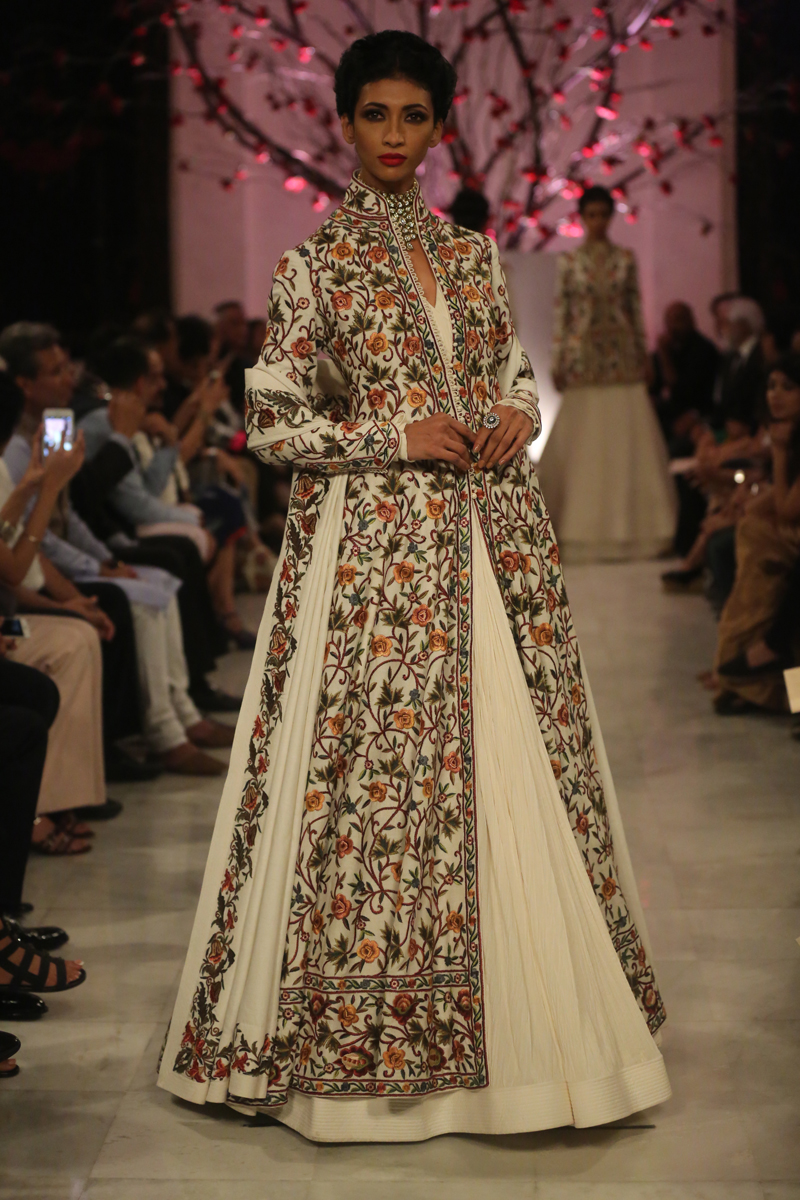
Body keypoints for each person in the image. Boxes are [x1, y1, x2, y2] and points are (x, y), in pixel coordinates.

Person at [158, 31, 670, 1140]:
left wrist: (514, 411)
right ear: (346, 122)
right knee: (382, 783)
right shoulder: (313, 265)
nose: (393, 135)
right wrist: (394, 433)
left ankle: (543, 1048)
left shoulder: (474, 256)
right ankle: (368, 1056)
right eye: (375, 114)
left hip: (494, 535)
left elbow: (512, 368)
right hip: (374, 556)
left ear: (438, 128)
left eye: (413, 116)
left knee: (518, 758)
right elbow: (273, 420)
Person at [536, 185, 677, 562]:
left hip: (621, 356)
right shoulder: (570, 263)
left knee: (624, 441)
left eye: (602, 214)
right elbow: (563, 314)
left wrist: (644, 356)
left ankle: (634, 530)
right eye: (591, 215)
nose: (597, 221)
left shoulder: (625, 259)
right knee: (584, 444)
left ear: (611, 217)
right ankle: (576, 530)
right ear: (583, 217)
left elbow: (635, 308)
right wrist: (558, 359)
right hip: (583, 357)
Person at [712, 354, 800, 713]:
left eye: (788, 387)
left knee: (767, 577)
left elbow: (788, 508)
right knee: (747, 544)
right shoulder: (789, 433)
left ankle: (776, 686)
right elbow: (776, 497)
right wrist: (739, 508)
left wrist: (778, 452)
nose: (775, 395)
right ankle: (755, 683)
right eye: (771, 386)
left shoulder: (785, 441)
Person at [711, 297, 768, 438]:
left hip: (752, 431)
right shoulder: (730, 357)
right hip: (729, 429)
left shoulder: (762, 355)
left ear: (744, 325)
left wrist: (747, 426)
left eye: (728, 323)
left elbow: (759, 398)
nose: (723, 328)